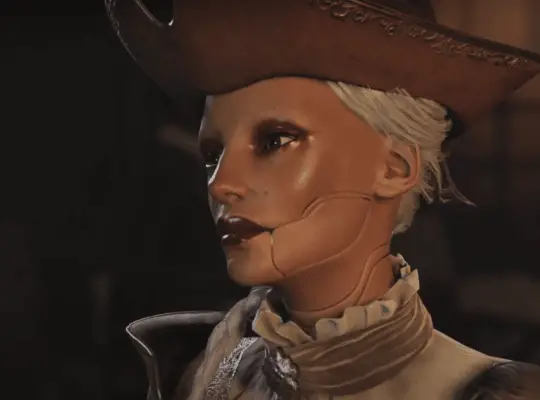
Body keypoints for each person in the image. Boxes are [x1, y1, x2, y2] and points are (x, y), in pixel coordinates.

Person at [105, 0, 540, 398]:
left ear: (394, 168)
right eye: (213, 155)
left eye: (275, 140)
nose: (221, 184)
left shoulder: (479, 391)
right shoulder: (199, 376)